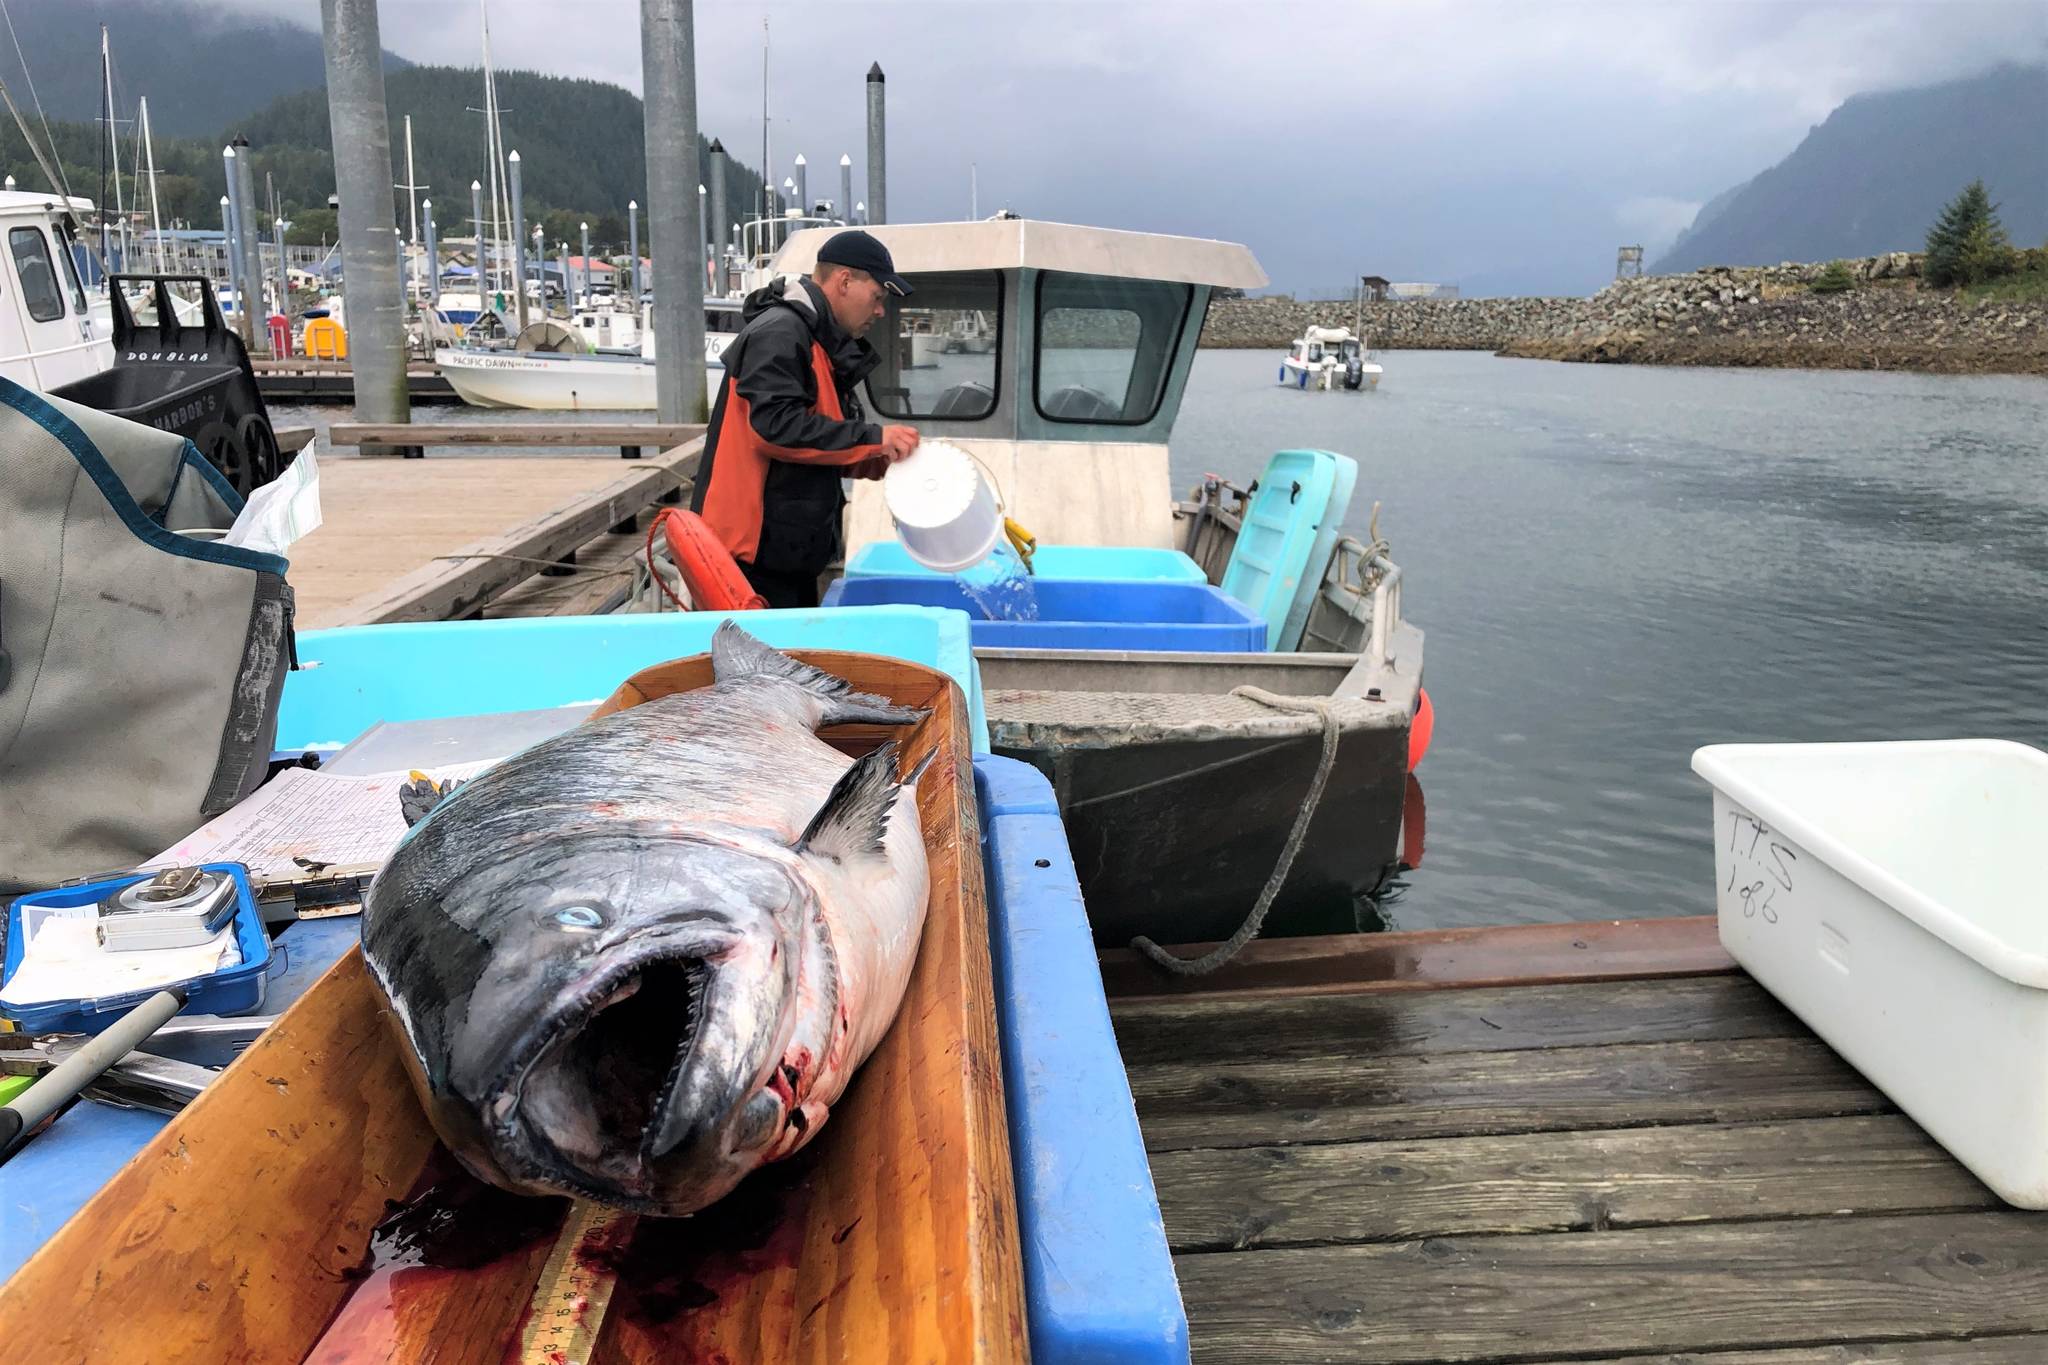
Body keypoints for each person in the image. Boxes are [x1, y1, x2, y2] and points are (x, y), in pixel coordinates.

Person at [691, 229, 921, 608]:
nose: (880, 311)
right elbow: (775, 429)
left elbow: (813, 443)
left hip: (784, 557)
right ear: (845, 281)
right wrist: (875, 438)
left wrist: (878, 457)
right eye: (877, 297)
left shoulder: (815, 340)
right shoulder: (780, 333)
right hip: (748, 560)